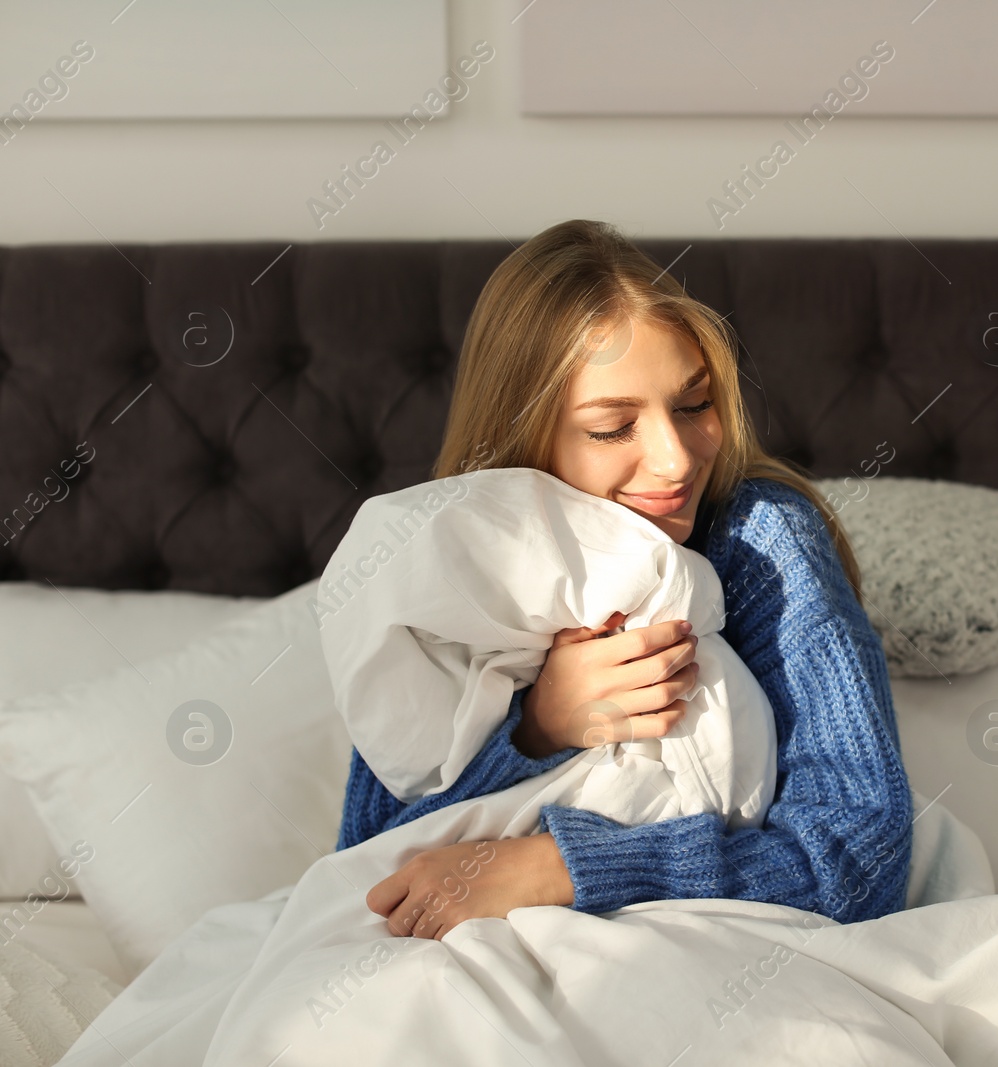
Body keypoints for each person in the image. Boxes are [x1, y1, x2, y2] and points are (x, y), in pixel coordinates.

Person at [335, 219, 913, 941]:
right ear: (524, 434)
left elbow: (860, 859)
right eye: (613, 427)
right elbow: (368, 865)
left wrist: (565, 868)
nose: (675, 460)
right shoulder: (448, 567)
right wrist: (539, 729)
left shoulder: (761, 544)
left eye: (694, 404)